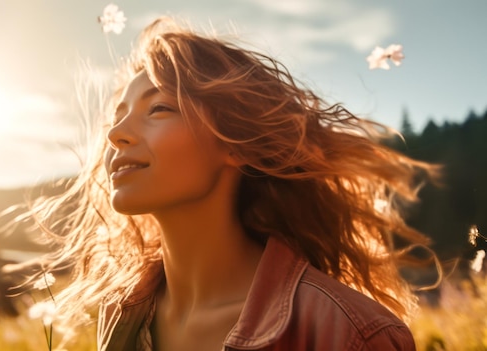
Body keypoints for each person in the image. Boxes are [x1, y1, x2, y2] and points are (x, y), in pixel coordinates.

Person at [24, 16, 436, 350]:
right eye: (119, 115)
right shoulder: (121, 316)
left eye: (160, 108)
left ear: (236, 144)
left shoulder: (349, 335)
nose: (116, 134)